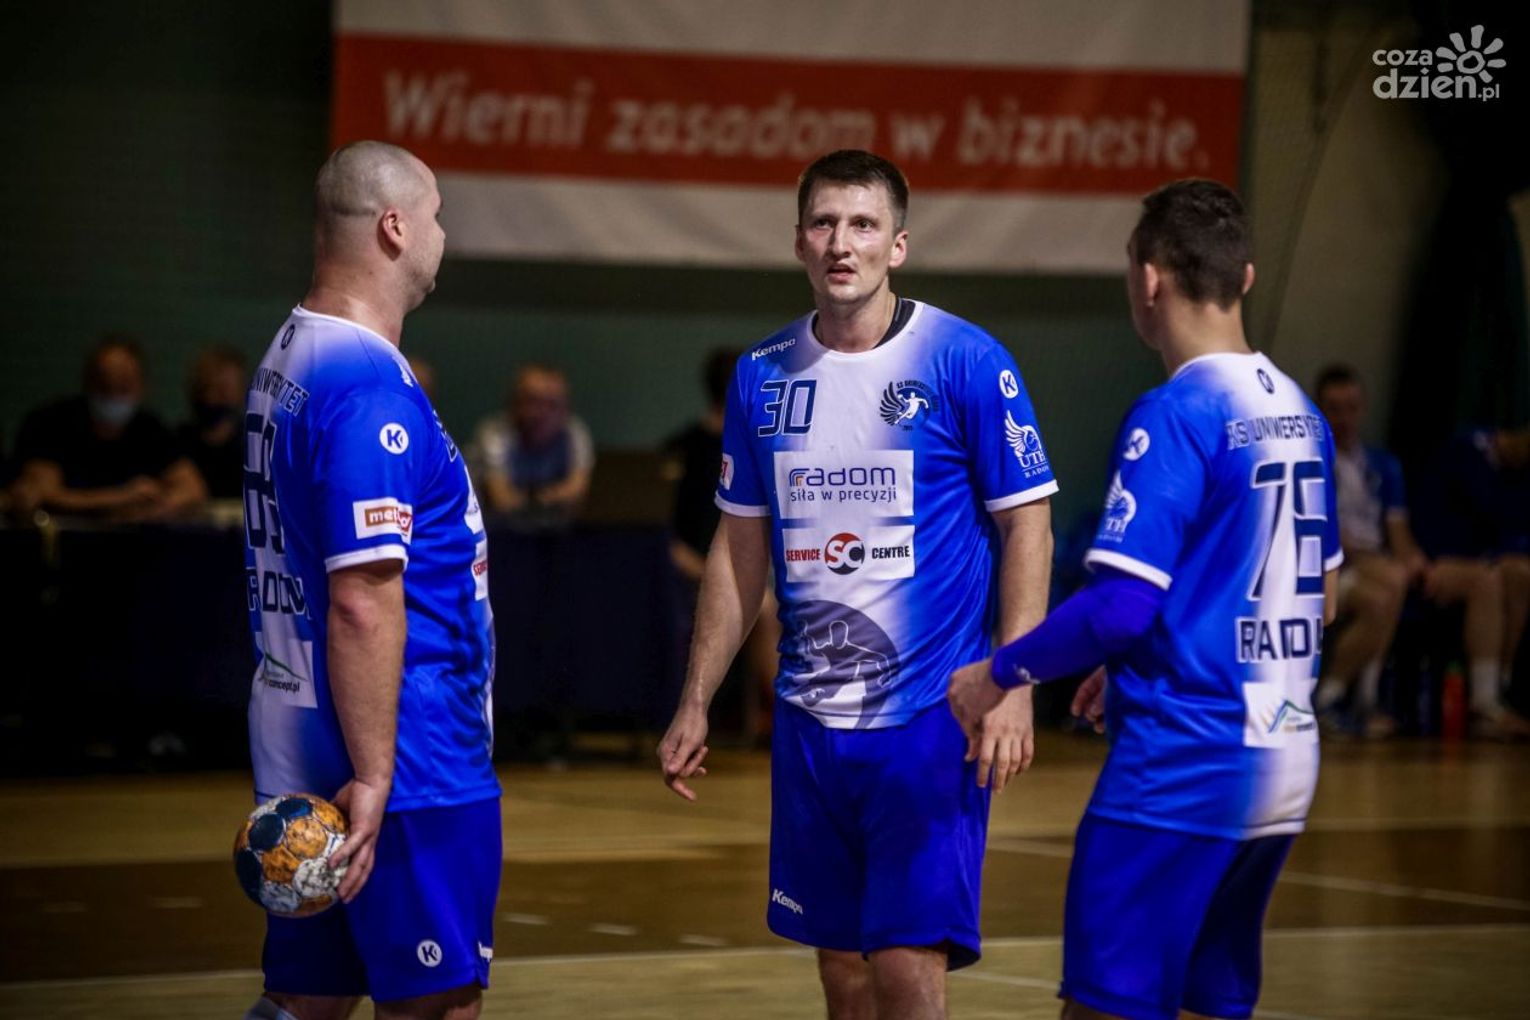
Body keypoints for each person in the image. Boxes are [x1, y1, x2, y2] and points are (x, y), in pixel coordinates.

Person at [658, 150, 1056, 1019]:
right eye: (825, 223)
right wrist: (696, 699)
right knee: (842, 975)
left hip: (930, 721)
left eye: (864, 224)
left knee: (907, 967)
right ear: (799, 240)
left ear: (897, 245)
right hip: (810, 724)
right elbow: (738, 549)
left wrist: (1016, 681)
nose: (843, 243)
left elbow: (1028, 524)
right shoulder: (762, 374)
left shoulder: (964, 359)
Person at [950, 179, 1341, 1020]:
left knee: (1105, 1007)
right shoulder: (1301, 413)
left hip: (1183, 764)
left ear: (1149, 280)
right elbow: (1322, 598)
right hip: (1283, 760)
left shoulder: (1175, 413)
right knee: (1208, 1003)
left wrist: (1002, 673)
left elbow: (1120, 607)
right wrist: (1138, 657)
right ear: (1245, 278)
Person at [241, 140, 499, 1020]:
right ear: (394, 228)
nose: (442, 235)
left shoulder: (290, 354)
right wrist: (381, 775)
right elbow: (361, 597)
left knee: (306, 999)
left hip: (302, 739)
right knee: (438, 1001)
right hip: (406, 757)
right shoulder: (368, 391)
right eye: (435, 216)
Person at [1312, 365, 1527, 737]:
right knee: (1387, 587)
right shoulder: (1312, 461)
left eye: (1352, 408)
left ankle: (1485, 703)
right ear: (1318, 410)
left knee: (1485, 580)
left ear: (1363, 408)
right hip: (1335, 570)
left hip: (1381, 566)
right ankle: (1339, 701)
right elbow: (1327, 536)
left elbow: (1398, 532)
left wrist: (1417, 563)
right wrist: (1383, 563)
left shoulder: (1381, 465)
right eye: (1334, 408)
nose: (1344, 418)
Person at [662, 348, 779, 740]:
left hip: (749, 562)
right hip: (688, 563)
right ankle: (782, 707)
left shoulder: (760, 446)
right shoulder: (686, 449)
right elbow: (668, 536)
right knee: (764, 606)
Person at [1410, 425, 1530, 736]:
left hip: (1482, 560)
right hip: (1437, 560)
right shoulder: (1465, 452)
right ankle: (1484, 703)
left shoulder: (1517, 475)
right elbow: (1434, 515)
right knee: (1487, 582)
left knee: (1519, 574)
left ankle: (1502, 684)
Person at [8, 335, 207, 520]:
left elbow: (193, 489)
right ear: (87, 382)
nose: (114, 394)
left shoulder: (150, 429)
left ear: (143, 386)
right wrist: (121, 497)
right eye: (104, 384)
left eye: (124, 385)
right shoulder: (51, 423)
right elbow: (41, 494)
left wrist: (156, 508)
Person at [472, 364, 594, 520]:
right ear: (513, 404)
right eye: (532, 402)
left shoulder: (574, 433)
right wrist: (550, 498)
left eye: (552, 404)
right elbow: (501, 501)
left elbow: (575, 495)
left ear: (566, 409)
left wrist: (532, 500)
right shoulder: (494, 434)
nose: (542, 413)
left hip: (550, 530)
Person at [178, 345, 249, 500]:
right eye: (207, 387)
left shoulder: (254, 446)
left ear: (241, 391)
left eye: (223, 390)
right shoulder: (177, 443)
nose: (212, 398)